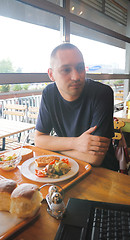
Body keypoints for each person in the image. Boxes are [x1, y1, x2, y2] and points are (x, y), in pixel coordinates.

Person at [35, 43, 119, 171]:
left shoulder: (102, 93)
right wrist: (76, 143)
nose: (76, 76)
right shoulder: (49, 93)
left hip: (102, 172)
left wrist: (53, 148)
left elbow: (94, 159)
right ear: (51, 75)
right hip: (66, 169)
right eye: (66, 70)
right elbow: (39, 140)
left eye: (80, 67)